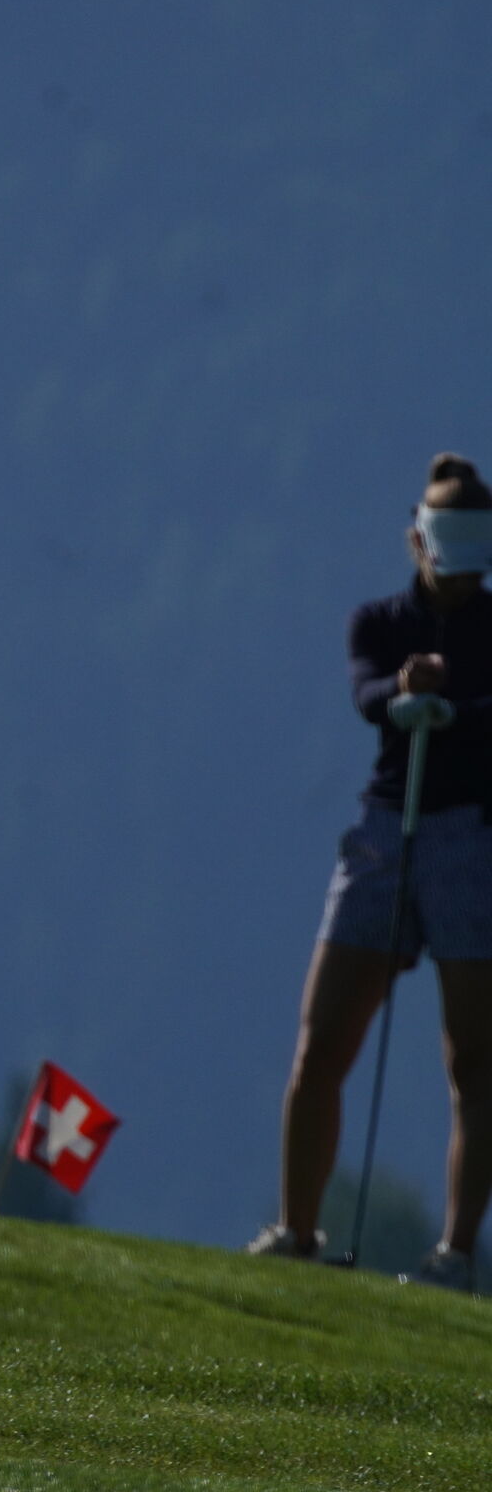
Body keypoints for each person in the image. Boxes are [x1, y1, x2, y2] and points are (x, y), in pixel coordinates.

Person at [254, 453, 492, 1286]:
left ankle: (455, 1253)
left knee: (475, 1062)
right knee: (322, 1043)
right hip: (384, 832)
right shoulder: (379, 621)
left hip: (475, 838)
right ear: (417, 544)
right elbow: (364, 692)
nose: (461, 581)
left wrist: (454, 709)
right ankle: (297, 1231)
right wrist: (401, 692)